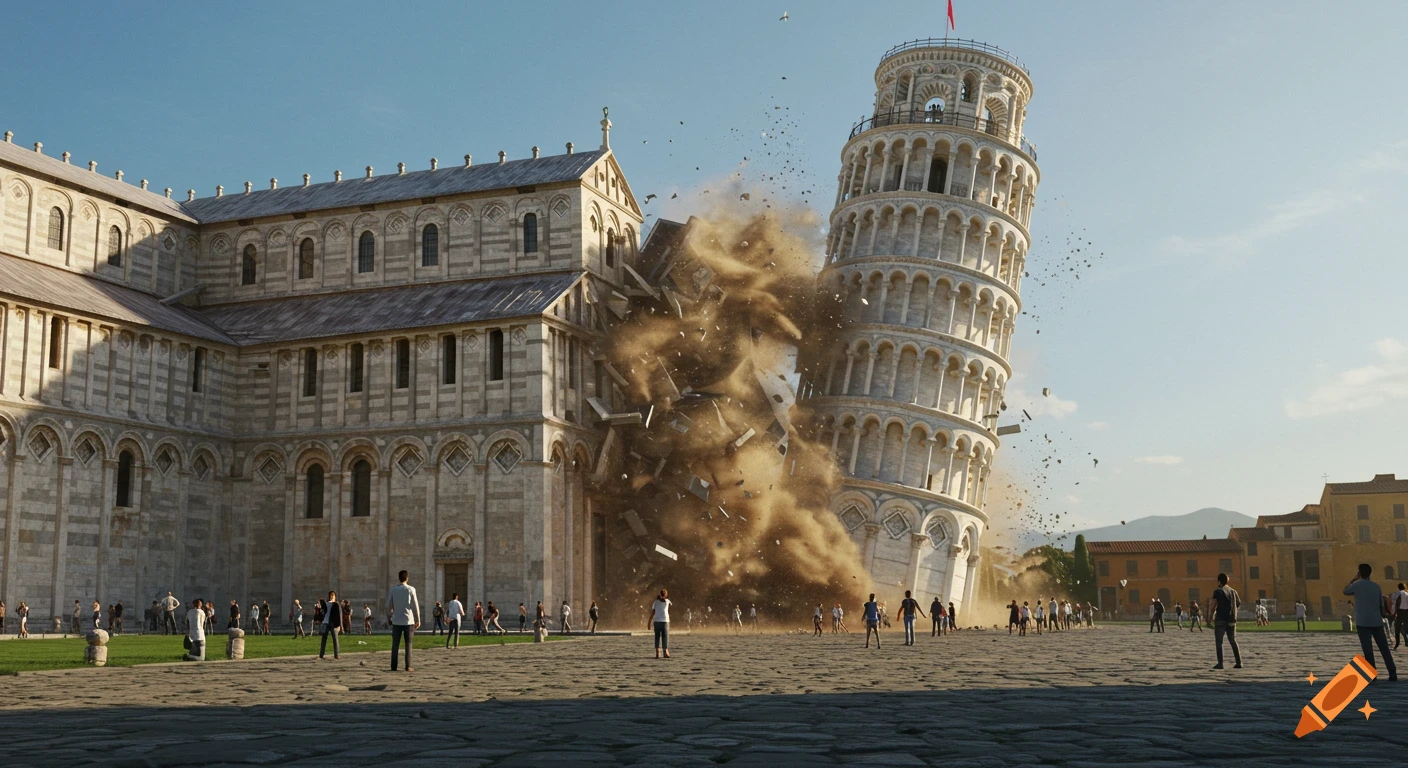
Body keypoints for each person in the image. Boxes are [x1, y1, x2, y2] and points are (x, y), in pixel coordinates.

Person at [1342, 563, 1397, 681]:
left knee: (1368, 651)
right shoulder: (1376, 586)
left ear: (1360, 573)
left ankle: (1372, 675)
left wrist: (1354, 579)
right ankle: (1392, 673)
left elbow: (1345, 591)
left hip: (1363, 622)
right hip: (1376, 621)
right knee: (1384, 649)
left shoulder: (1356, 585)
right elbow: (1381, 605)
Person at [386, 569, 421, 672]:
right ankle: (408, 665)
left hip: (396, 620)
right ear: (407, 578)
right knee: (408, 644)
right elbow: (415, 605)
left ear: (399, 578)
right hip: (408, 621)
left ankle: (393, 666)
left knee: (395, 644)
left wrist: (389, 616)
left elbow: (388, 605)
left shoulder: (393, 590)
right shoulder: (411, 589)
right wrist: (418, 619)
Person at [1209, 572, 1242, 670]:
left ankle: (1220, 663)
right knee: (1233, 640)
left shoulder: (1218, 591)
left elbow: (1214, 605)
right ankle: (1238, 662)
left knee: (1219, 641)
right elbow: (1238, 604)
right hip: (1232, 619)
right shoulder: (1233, 591)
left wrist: (1210, 617)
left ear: (1219, 581)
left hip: (1221, 619)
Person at [650, 589, 672, 659]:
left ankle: (657, 652)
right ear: (666, 595)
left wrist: (649, 621)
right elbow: (670, 605)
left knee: (657, 637)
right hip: (665, 621)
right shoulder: (667, 601)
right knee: (665, 636)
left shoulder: (655, 602)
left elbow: (653, 612)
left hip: (656, 621)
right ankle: (665, 651)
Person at [319, 592, 342, 660]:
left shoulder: (325, 604)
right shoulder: (336, 604)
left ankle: (321, 654)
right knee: (335, 640)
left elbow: (322, 612)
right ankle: (336, 655)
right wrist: (339, 625)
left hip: (325, 622)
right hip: (333, 623)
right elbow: (338, 616)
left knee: (324, 640)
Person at [1392, 582, 1408, 649]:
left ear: (1398, 588)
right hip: (1407, 612)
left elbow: (1393, 602)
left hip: (1399, 612)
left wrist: (1394, 613)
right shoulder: (1407, 594)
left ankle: (1397, 643)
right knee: (1406, 628)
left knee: (1397, 628)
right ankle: (1406, 640)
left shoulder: (1396, 594)